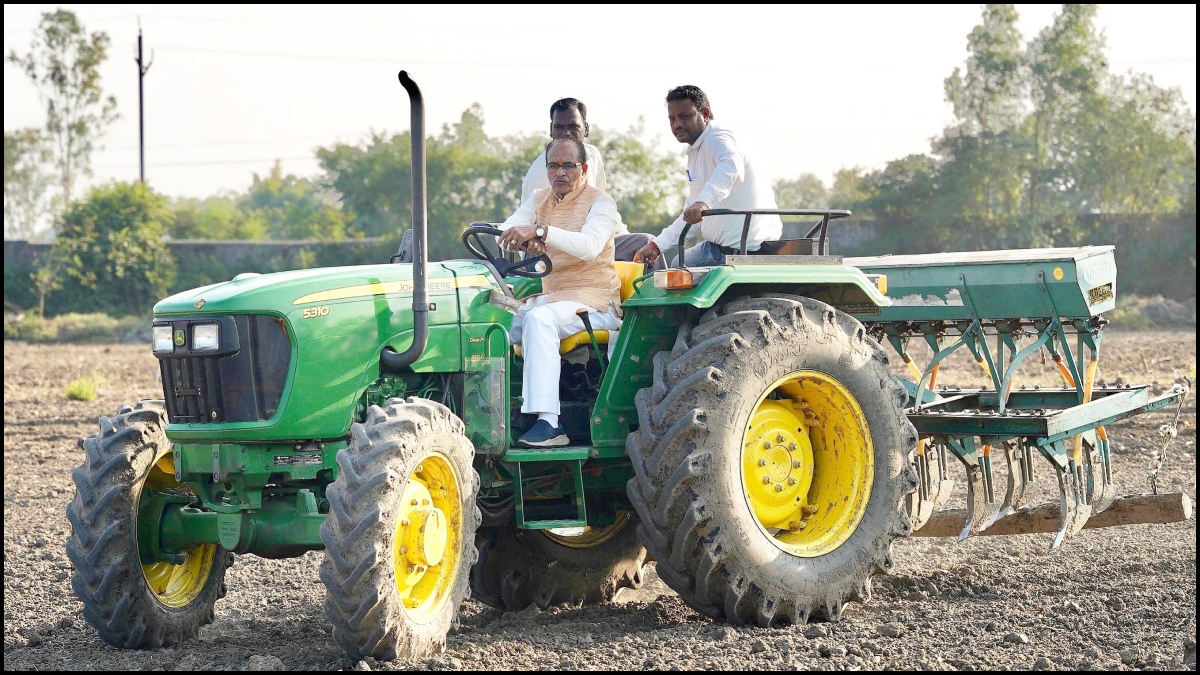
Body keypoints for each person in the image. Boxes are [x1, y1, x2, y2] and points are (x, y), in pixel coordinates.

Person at [498, 136, 623, 448]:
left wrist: (541, 232)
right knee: (493, 316)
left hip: (594, 301)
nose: (560, 172)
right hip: (554, 296)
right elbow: (506, 230)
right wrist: (525, 239)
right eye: (553, 166)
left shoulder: (601, 204)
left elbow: (590, 245)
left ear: (583, 168)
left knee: (539, 319)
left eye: (568, 165)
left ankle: (549, 423)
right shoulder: (540, 199)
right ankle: (496, 409)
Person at [634, 85, 782, 268]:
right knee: (677, 263)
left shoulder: (717, 139)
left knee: (678, 266)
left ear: (704, 113)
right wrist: (657, 246)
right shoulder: (698, 149)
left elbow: (731, 167)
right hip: (723, 249)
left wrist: (702, 203)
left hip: (737, 252)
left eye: (684, 116)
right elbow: (690, 213)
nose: (677, 124)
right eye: (672, 119)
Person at [522, 98, 663, 270]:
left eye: (573, 127)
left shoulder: (593, 155)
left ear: (586, 129)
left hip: (593, 241)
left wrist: (626, 239)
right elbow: (536, 230)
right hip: (550, 250)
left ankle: (663, 296)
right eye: (559, 127)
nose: (566, 134)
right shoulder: (541, 171)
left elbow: (603, 208)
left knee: (646, 243)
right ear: (551, 131)